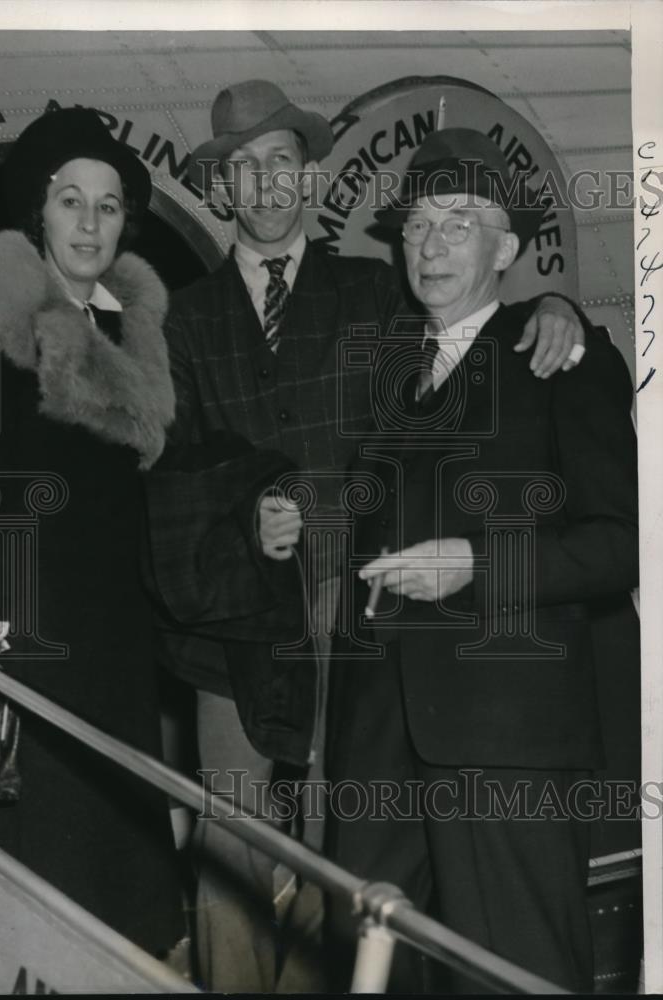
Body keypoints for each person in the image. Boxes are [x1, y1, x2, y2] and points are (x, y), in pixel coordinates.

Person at [144, 80, 591, 992]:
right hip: (227, 635)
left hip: (359, 627)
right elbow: (167, 475)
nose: (263, 186)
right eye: (241, 170)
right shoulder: (180, 320)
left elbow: (469, 324)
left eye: (279, 163)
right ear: (222, 190)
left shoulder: (378, 290)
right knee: (231, 843)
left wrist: (560, 308)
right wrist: (246, 517)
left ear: (308, 179)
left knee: (338, 850)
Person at [324, 128, 639, 992]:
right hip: (380, 749)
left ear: (506, 249)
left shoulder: (565, 358)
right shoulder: (395, 370)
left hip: (509, 747)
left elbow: (620, 546)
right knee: (375, 971)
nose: (430, 245)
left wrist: (477, 564)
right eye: (419, 225)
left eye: (460, 224)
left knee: (513, 976)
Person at [0, 107, 185, 956]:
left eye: (108, 206)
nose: (89, 222)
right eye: (70, 201)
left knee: (115, 884)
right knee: (40, 875)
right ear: (37, 212)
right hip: (28, 640)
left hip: (115, 646)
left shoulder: (133, 331)